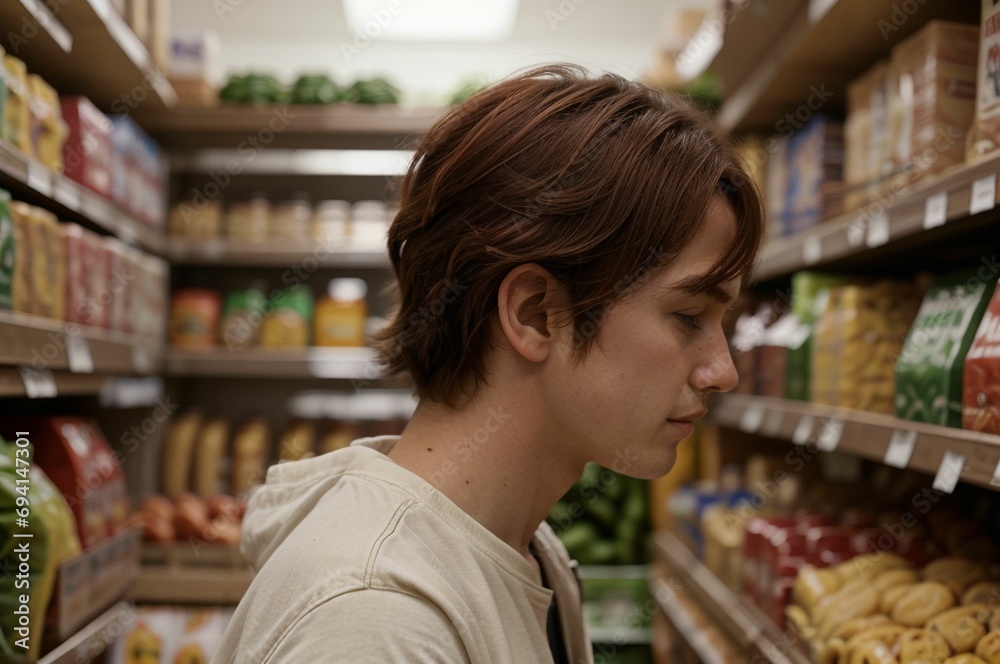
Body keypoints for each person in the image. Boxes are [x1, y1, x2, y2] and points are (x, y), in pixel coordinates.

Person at [216, 64, 763, 663]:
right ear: (534, 313)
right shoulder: (377, 623)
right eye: (688, 317)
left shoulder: (524, 552)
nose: (723, 370)